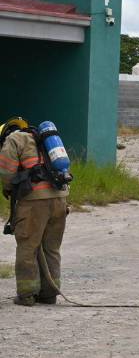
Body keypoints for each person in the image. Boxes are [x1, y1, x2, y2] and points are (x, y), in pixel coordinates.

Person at [0, 117, 69, 306]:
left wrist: (8, 188)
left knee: (27, 247)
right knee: (51, 248)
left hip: (34, 201)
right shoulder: (43, 139)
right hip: (60, 198)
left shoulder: (13, 140)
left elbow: (6, 172)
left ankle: (27, 294)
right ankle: (49, 294)